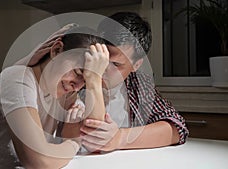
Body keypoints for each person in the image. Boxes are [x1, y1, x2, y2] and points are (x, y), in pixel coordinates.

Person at [0, 26, 110, 169]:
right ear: (57, 50)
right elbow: (39, 162)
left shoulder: (66, 92)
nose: (77, 87)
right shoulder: (17, 79)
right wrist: (72, 142)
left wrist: (94, 80)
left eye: (85, 81)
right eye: (78, 72)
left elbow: (95, 138)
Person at [76, 12, 189, 152]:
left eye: (116, 64)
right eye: (101, 57)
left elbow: (177, 127)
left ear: (136, 65)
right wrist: (92, 78)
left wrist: (120, 138)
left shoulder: (138, 84)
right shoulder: (75, 77)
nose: (103, 68)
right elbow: (93, 142)